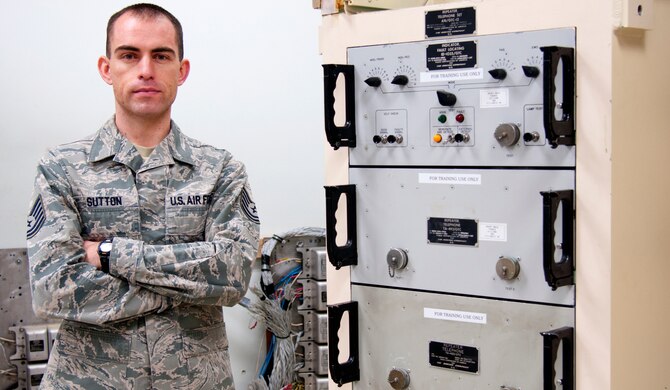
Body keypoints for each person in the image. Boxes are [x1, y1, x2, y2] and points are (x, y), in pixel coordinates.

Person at [26, 3, 260, 389]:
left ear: (181, 70)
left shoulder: (219, 170)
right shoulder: (61, 168)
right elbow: (54, 289)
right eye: (130, 54)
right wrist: (191, 289)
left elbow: (233, 275)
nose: (146, 69)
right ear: (107, 68)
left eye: (161, 55)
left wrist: (109, 254)